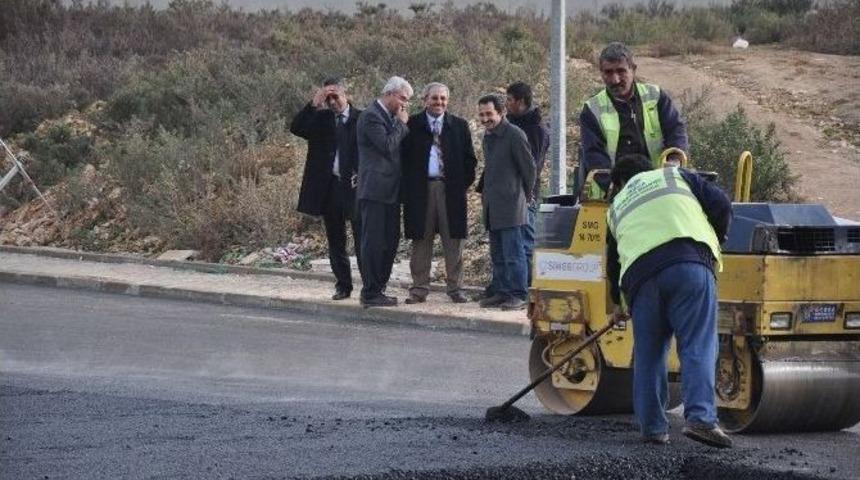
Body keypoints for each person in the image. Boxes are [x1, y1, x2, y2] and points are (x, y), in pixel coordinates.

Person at [606, 153, 733, 448]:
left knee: (648, 353)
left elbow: (613, 263)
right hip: (688, 265)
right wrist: (716, 237)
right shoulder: (674, 175)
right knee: (697, 344)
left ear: (619, 183)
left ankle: (652, 427)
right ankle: (700, 419)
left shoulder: (615, 207)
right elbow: (721, 204)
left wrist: (619, 305)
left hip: (640, 279)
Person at [401, 83, 477, 304]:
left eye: (443, 99)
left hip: (450, 191)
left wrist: (459, 185)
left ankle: (456, 288)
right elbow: (402, 158)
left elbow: (470, 160)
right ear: (425, 99)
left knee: (454, 241)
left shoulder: (459, 126)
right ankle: (419, 289)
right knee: (421, 241)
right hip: (420, 191)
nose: (439, 103)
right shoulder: (412, 124)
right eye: (435, 98)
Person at [290, 77, 363, 300]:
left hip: (355, 186)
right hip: (330, 187)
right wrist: (313, 104)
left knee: (362, 238)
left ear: (345, 94)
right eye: (327, 98)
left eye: (335, 96)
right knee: (335, 239)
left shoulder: (362, 118)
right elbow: (296, 128)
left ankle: (369, 285)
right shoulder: (320, 120)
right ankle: (343, 285)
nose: (332, 102)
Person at [579, 42, 688, 189]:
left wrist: (674, 160)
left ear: (633, 69)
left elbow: (676, 130)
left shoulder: (656, 96)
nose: (615, 80)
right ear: (601, 72)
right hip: (613, 194)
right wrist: (615, 187)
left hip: (659, 187)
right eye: (608, 72)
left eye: (621, 71)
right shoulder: (592, 109)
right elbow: (594, 155)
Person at [355, 76, 413, 307]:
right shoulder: (371, 116)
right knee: (374, 241)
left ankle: (379, 288)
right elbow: (387, 147)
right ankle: (370, 291)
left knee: (390, 241)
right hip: (375, 190)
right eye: (402, 98)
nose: (404, 104)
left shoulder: (387, 116)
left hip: (391, 191)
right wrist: (401, 123)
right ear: (389, 94)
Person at [476, 94, 535, 311]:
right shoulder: (488, 136)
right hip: (492, 204)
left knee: (513, 253)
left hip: (511, 205)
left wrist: (525, 198)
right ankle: (501, 291)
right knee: (498, 253)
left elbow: (529, 169)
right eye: (482, 114)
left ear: (501, 112)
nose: (485, 118)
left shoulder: (514, 135)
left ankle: (518, 294)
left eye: (489, 114)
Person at [506, 81, 549, 287]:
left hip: (526, 194)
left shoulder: (536, 129)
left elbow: (534, 166)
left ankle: (531, 285)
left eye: (509, 100)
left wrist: (526, 191)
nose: (506, 104)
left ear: (521, 102)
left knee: (526, 241)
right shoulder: (512, 123)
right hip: (510, 193)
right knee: (513, 243)